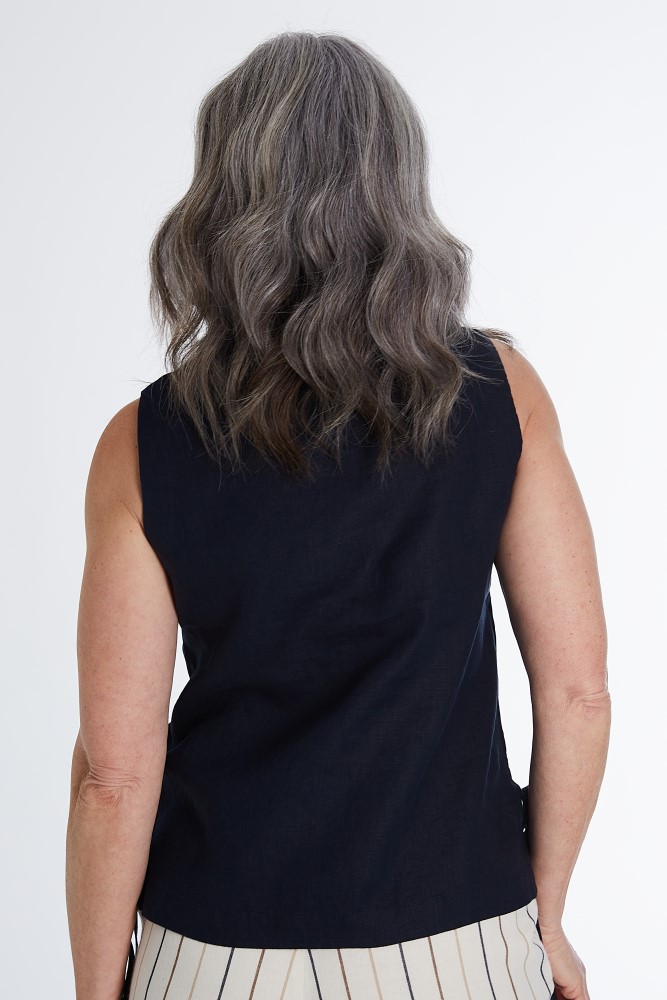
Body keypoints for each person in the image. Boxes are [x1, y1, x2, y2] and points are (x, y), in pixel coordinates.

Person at [65, 31, 611, 1000]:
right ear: (397, 187)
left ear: (220, 200)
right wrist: (548, 916)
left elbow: (113, 774)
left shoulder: (142, 442)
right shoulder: (500, 395)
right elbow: (576, 695)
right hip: (462, 943)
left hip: (216, 949)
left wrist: (96, 991)